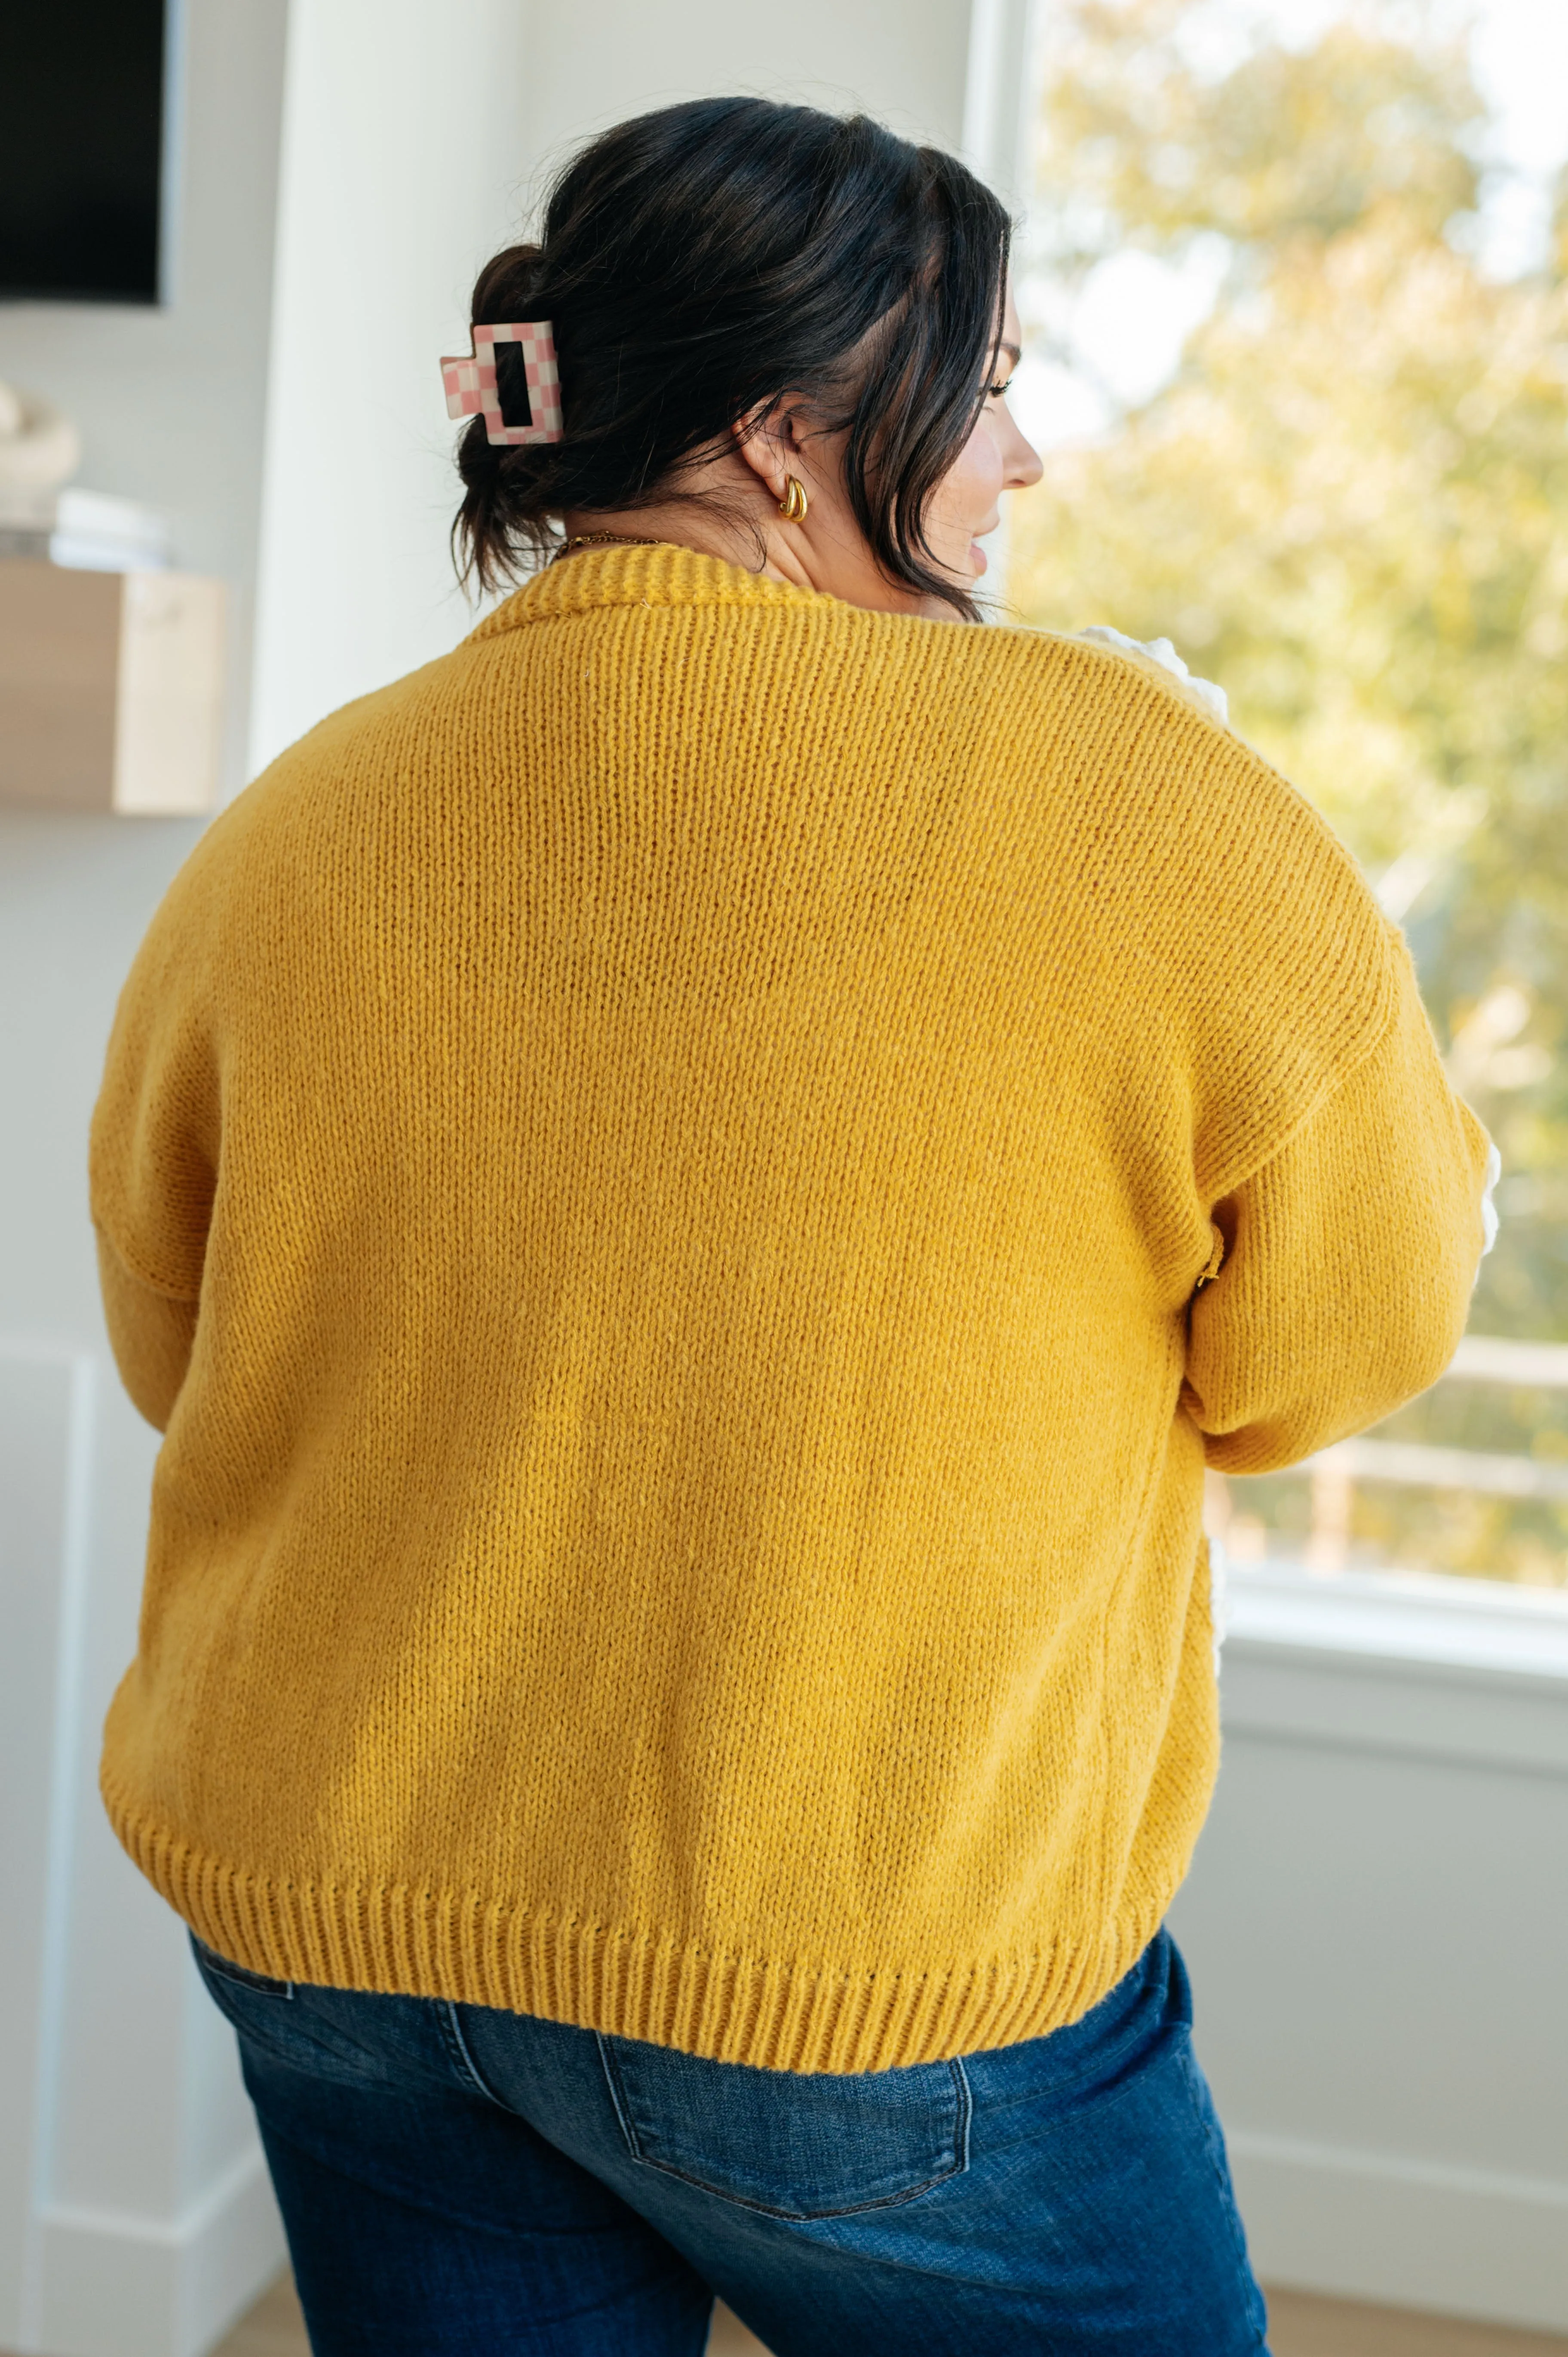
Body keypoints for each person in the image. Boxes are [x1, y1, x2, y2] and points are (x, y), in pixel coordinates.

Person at [89, 95, 1493, 2357]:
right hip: (847, 1954)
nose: (1018, 458)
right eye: (997, 383)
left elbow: (181, 1348)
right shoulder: (1149, 793)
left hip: (332, 1917)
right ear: (780, 437)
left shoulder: (299, 821)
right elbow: (1332, 1351)